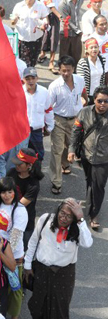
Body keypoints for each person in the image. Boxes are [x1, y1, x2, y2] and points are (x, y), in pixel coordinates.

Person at [68, 85, 108, 230]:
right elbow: (76, 132)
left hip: (104, 159)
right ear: (94, 100)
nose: (102, 104)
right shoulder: (84, 112)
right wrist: (71, 150)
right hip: (86, 156)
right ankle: (91, 204)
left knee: (98, 186)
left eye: (105, 101)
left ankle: (93, 214)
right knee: (90, 182)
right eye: (100, 101)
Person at [0, 177, 28, 318]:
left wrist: (6, 256)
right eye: (3, 192)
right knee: (0, 286)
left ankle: (14, 316)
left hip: (14, 256)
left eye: (10, 192)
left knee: (15, 289)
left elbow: (16, 236)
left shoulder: (20, 210)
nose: (6, 195)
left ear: (14, 193)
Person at [48, 56, 87, 195]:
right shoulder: (54, 86)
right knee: (56, 150)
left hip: (75, 120)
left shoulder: (80, 80)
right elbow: (48, 106)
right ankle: (56, 182)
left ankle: (65, 164)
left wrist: (86, 104)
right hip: (58, 120)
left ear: (73, 69)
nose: (66, 73)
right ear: (59, 70)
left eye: (68, 70)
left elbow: (83, 92)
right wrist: (47, 124)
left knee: (70, 145)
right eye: (63, 70)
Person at [7, 148, 42, 249]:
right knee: (9, 246)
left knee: (22, 246)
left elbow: (20, 205)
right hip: (9, 217)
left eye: (20, 164)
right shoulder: (11, 172)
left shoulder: (33, 185)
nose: (16, 166)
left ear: (29, 166)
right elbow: (2, 189)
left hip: (24, 220)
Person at [11, 0, 49, 67]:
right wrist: (14, 20)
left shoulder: (40, 5)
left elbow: (45, 17)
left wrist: (44, 25)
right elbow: (12, 18)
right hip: (22, 39)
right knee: (23, 63)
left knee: (33, 61)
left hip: (36, 39)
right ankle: (24, 78)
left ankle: (30, 77)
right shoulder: (19, 6)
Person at [22, 67, 54, 160]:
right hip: (23, 131)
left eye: (33, 78)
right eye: (27, 78)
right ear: (23, 80)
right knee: (22, 157)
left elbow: (48, 109)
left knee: (38, 156)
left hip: (36, 131)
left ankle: (36, 173)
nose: (30, 81)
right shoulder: (19, 92)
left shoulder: (44, 92)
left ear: (37, 78)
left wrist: (50, 126)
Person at [39, 0, 63, 74]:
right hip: (47, 13)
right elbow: (48, 2)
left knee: (54, 37)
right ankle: (45, 55)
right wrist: (58, 15)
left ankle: (51, 61)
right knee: (48, 35)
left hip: (56, 12)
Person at [58, 0, 84, 64]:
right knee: (65, 58)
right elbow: (67, 21)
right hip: (66, 34)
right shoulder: (63, 4)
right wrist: (78, 31)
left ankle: (75, 74)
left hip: (76, 34)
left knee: (77, 56)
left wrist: (78, 31)